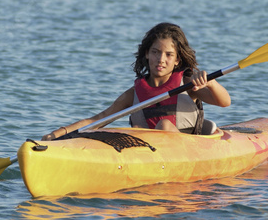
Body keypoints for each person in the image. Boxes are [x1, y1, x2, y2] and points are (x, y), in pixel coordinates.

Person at [41, 23, 230, 141]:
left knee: (164, 125)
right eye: (155, 52)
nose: (161, 59)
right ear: (147, 54)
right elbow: (99, 119)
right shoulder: (134, 93)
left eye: (168, 55)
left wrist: (211, 84)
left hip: (187, 150)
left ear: (178, 60)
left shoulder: (188, 85)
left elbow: (224, 102)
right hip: (148, 152)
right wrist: (58, 134)